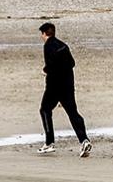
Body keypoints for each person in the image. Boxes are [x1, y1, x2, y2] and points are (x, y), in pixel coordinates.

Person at [36, 22, 92, 157]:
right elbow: (72, 63)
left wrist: (45, 71)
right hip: (68, 85)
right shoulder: (63, 45)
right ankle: (84, 140)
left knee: (44, 110)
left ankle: (49, 143)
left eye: (41, 34)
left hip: (54, 86)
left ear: (44, 34)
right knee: (73, 113)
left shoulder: (48, 46)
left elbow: (51, 65)